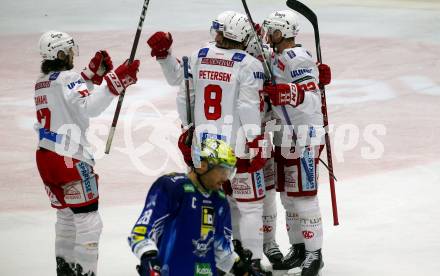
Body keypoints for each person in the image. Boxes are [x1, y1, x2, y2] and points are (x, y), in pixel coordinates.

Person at [146, 12, 273, 274]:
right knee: (250, 205)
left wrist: (187, 127)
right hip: (236, 147)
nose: (214, 34)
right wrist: (256, 139)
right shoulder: (249, 64)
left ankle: (222, 255)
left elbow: (183, 92)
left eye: (218, 30)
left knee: (214, 202)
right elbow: (247, 106)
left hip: (202, 147)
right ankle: (254, 261)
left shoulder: (200, 54)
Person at [34, 30, 140, 275]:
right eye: (69, 51)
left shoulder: (42, 81)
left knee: (66, 217)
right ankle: (86, 271)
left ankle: (65, 268)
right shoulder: (68, 78)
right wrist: (116, 82)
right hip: (69, 159)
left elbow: (67, 98)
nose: (73, 54)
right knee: (88, 221)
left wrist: (92, 76)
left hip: (45, 158)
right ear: (60, 53)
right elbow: (88, 107)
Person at [261, 10, 331, 276]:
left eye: (272, 31)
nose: (269, 35)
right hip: (283, 134)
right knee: (288, 196)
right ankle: (299, 248)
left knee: (304, 196)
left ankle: (315, 253)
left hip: (304, 135)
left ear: (283, 32)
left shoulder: (297, 58)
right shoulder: (276, 55)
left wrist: (292, 93)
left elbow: (312, 100)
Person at [129, 138, 261, 276]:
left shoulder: (220, 200)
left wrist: (241, 268)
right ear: (202, 165)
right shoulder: (172, 187)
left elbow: (221, 249)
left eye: (229, 172)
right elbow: (141, 232)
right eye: (222, 170)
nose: (226, 178)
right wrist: (148, 258)